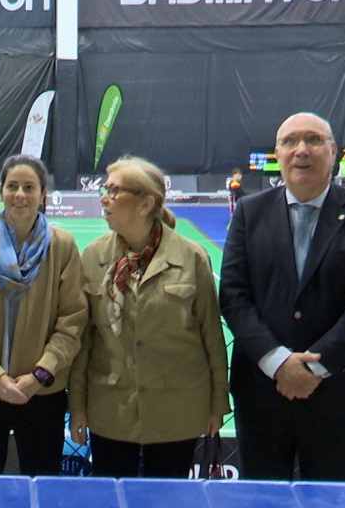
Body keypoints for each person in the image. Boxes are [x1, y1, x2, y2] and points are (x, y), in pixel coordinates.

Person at [220, 112, 345, 481]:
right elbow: (234, 296)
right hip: (262, 392)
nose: (302, 150)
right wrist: (278, 362)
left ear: (333, 152)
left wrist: (316, 366)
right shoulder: (250, 212)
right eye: (290, 141)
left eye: (314, 140)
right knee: (262, 507)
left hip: (337, 394)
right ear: (278, 154)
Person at [69, 156, 228, 478]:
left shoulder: (192, 257)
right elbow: (85, 342)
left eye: (114, 191)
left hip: (176, 411)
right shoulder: (93, 257)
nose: (104, 198)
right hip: (110, 410)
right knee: (113, 506)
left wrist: (217, 405)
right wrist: (78, 405)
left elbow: (212, 336)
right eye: (105, 189)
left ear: (146, 203)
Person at [0, 154, 86, 476]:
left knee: (41, 484)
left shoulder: (63, 247)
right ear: (1, 191)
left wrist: (40, 375)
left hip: (42, 393)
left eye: (29, 187)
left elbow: (72, 321)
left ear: (42, 194)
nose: (20, 195)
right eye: (13, 186)